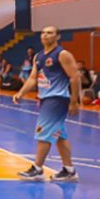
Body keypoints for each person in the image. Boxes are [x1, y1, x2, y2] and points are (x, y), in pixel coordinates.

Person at [14, 26, 82, 183]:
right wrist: (21, 92)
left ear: (57, 36)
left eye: (50, 32)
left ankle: (37, 169)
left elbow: (75, 77)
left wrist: (74, 101)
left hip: (57, 99)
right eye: (43, 32)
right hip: (45, 98)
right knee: (60, 136)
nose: (45, 35)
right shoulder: (38, 56)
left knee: (43, 133)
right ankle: (69, 170)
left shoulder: (62, 54)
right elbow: (32, 78)